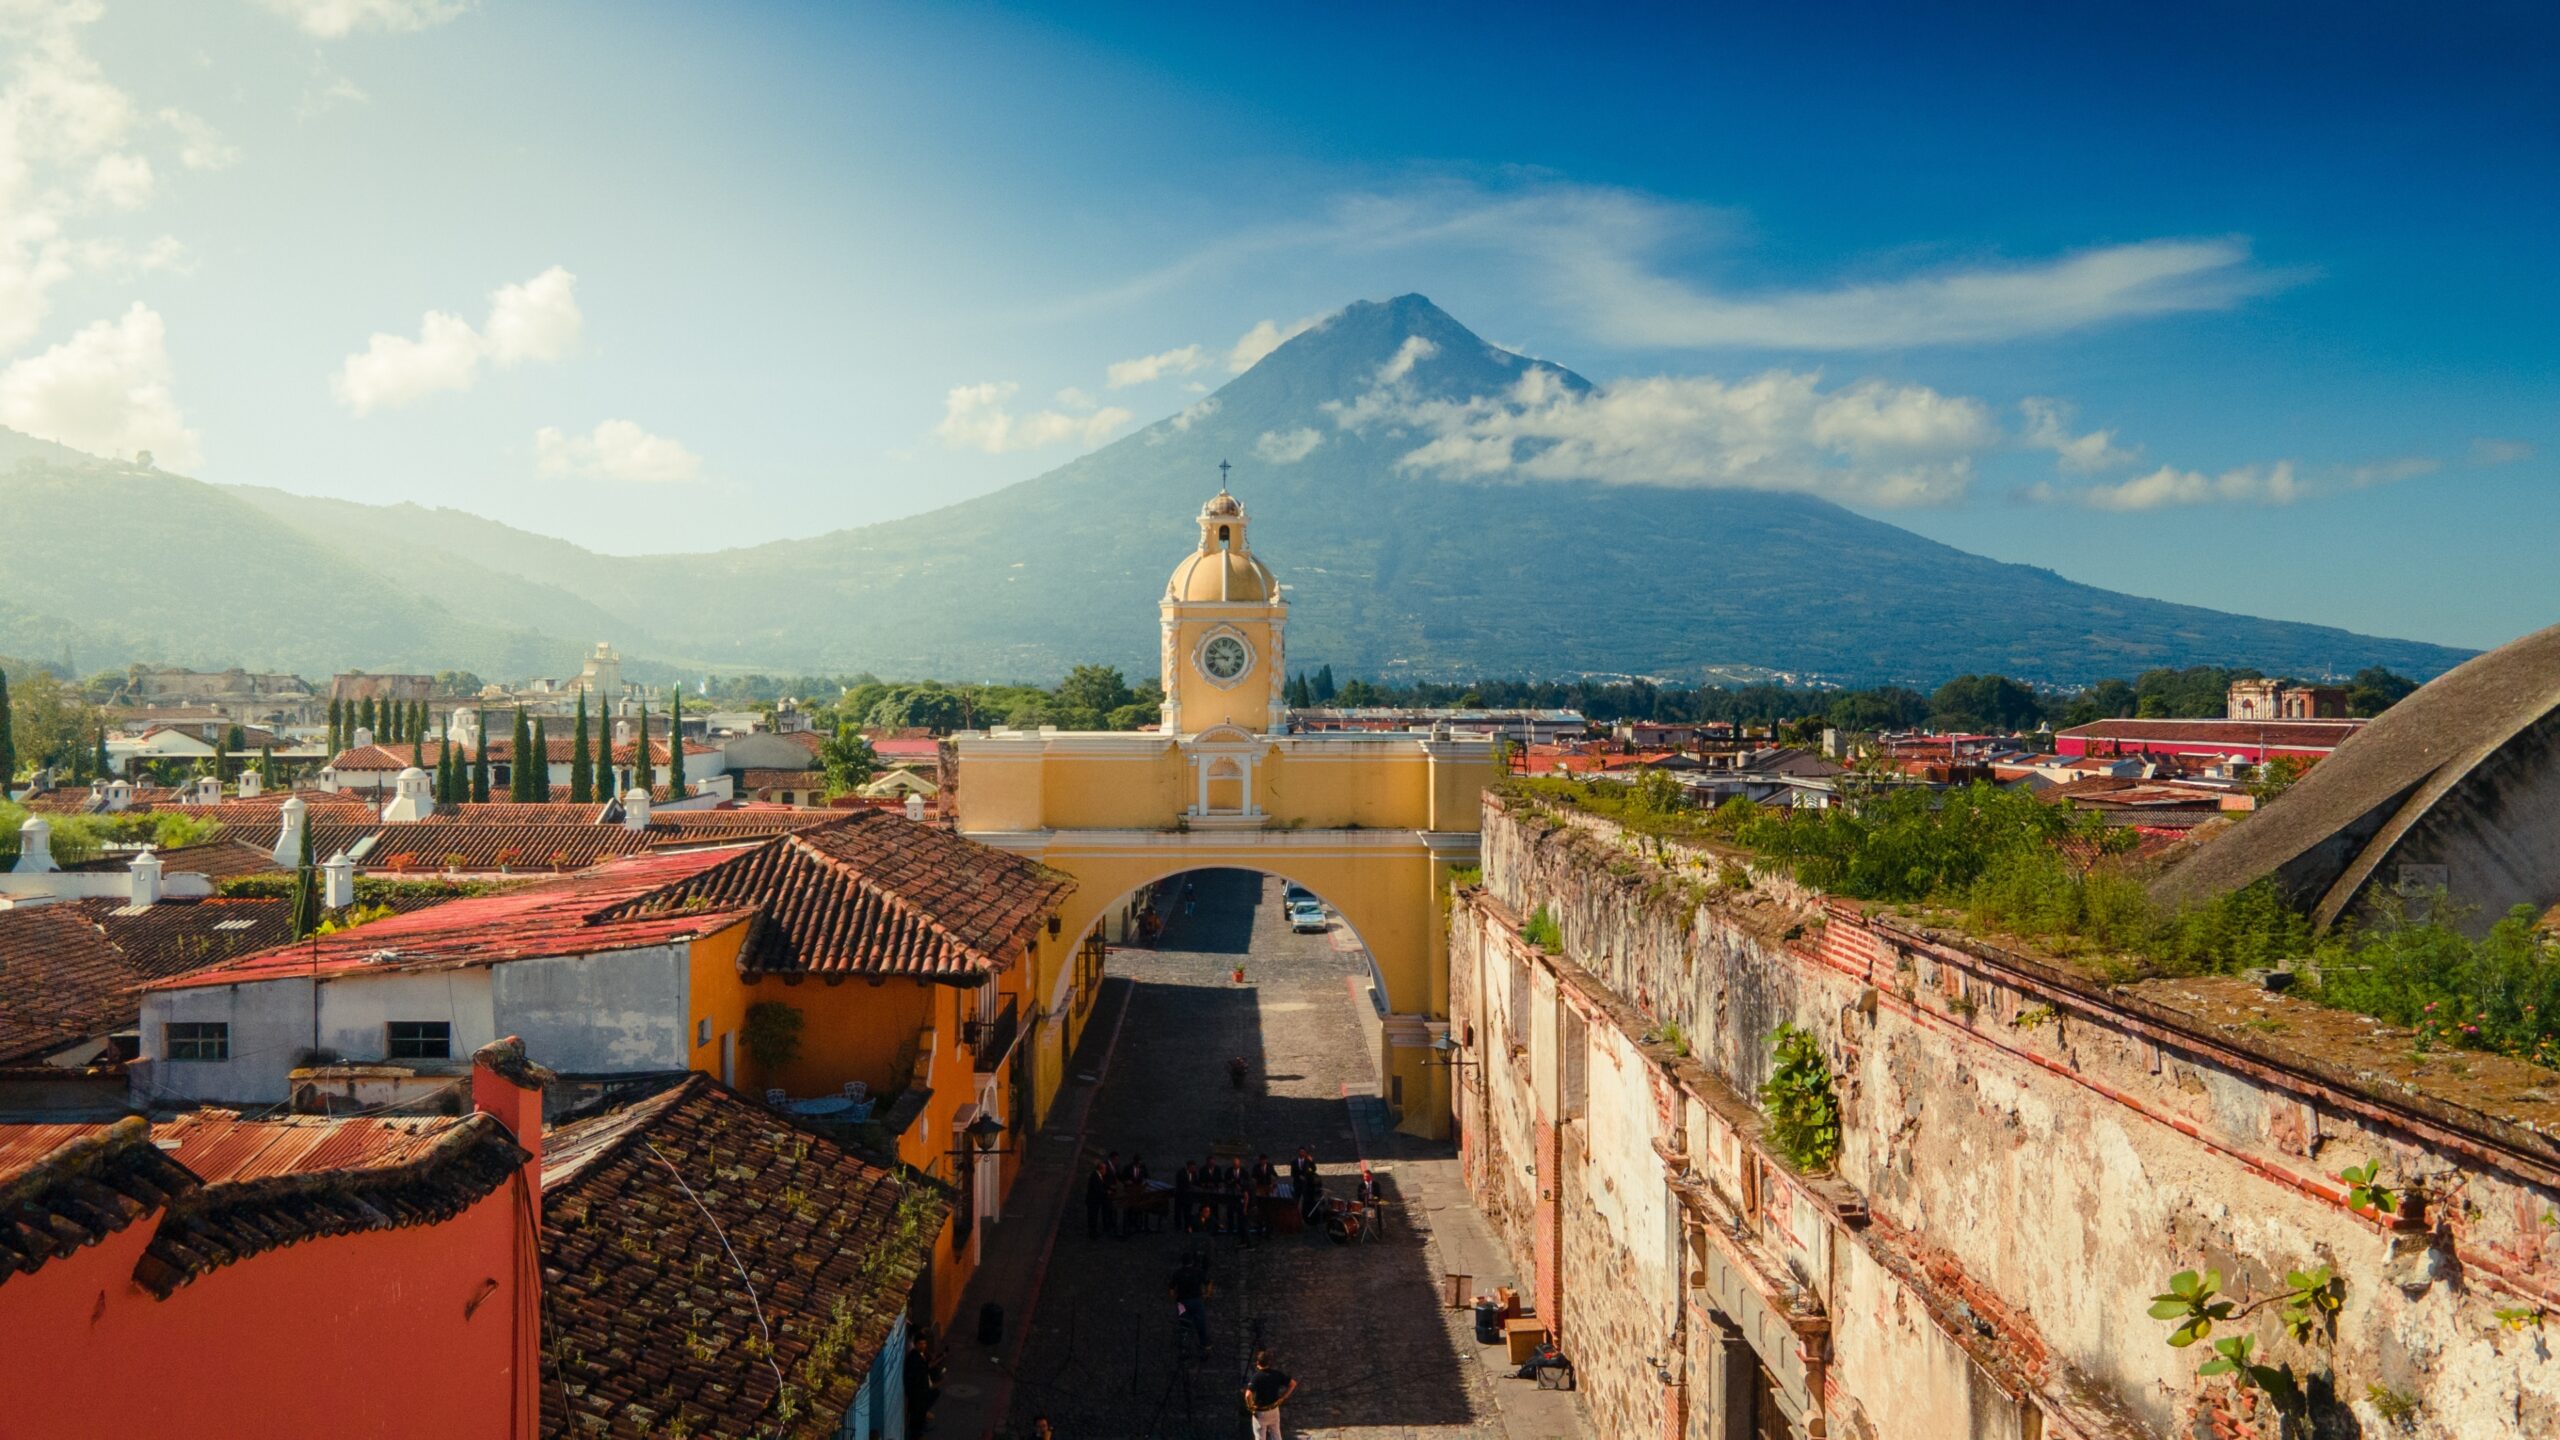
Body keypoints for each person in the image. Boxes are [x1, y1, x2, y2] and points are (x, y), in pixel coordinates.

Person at [1243, 1350, 1295, 1439]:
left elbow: (1248, 1395)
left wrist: (1250, 1407)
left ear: (1257, 1363)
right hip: (1274, 1409)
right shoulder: (1277, 1374)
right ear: (1269, 1362)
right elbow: (1293, 1383)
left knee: (1260, 1437)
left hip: (1260, 1412)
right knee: (1276, 1435)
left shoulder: (1256, 1377)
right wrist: (1283, 1397)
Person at [1169, 1259, 1211, 1358]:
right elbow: (1208, 1283)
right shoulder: (1198, 1272)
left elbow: (1171, 1289)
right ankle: (1204, 1346)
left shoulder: (1177, 1273)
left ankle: (1183, 1347)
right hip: (1196, 1301)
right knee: (1201, 1325)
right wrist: (1207, 1294)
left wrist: (1175, 1300)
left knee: (1183, 1324)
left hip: (1182, 1303)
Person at [1085, 1154, 1114, 1240]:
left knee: (1093, 1217)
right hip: (1093, 1201)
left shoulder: (1098, 1176)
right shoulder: (1095, 1176)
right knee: (1092, 1217)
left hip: (1094, 1201)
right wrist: (1107, 1192)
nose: (1106, 1171)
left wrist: (1109, 1188)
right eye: (1105, 1169)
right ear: (1101, 1169)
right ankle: (1092, 1234)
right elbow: (1098, 1189)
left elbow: (1102, 1185)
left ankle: (1093, 1232)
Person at [1173, 1160, 1197, 1233]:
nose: (1194, 1169)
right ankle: (1178, 1227)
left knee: (1188, 1212)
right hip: (1180, 1196)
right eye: (1193, 1167)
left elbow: (1195, 1182)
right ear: (1189, 1167)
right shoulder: (1181, 1173)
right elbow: (1180, 1184)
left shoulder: (1193, 1173)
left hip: (1189, 1197)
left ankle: (1187, 1226)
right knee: (1178, 1212)